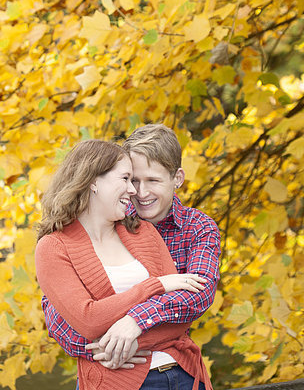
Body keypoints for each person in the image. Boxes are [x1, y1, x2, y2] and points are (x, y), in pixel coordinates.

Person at [40, 124, 221, 388]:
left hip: (178, 369)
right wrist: (109, 347)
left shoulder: (194, 227)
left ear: (178, 178)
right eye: (131, 180)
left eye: (153, 181)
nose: (139, 192)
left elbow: (197, 296)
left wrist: (134, 325)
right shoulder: (109, 221)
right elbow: (62, 315)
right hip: (113, 375)